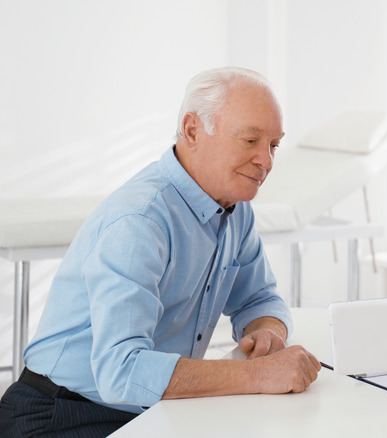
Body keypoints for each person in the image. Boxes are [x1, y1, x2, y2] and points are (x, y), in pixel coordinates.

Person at [0, 66, 321, 437]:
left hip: (146, 409)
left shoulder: (235, 208)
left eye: (273, 145)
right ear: (192, 130)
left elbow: (259, 297)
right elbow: (121, 371)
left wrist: (268, 331)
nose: (266, 161)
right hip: (61, 413)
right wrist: (258, 374)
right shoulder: (140, 219)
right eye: (250, 141)